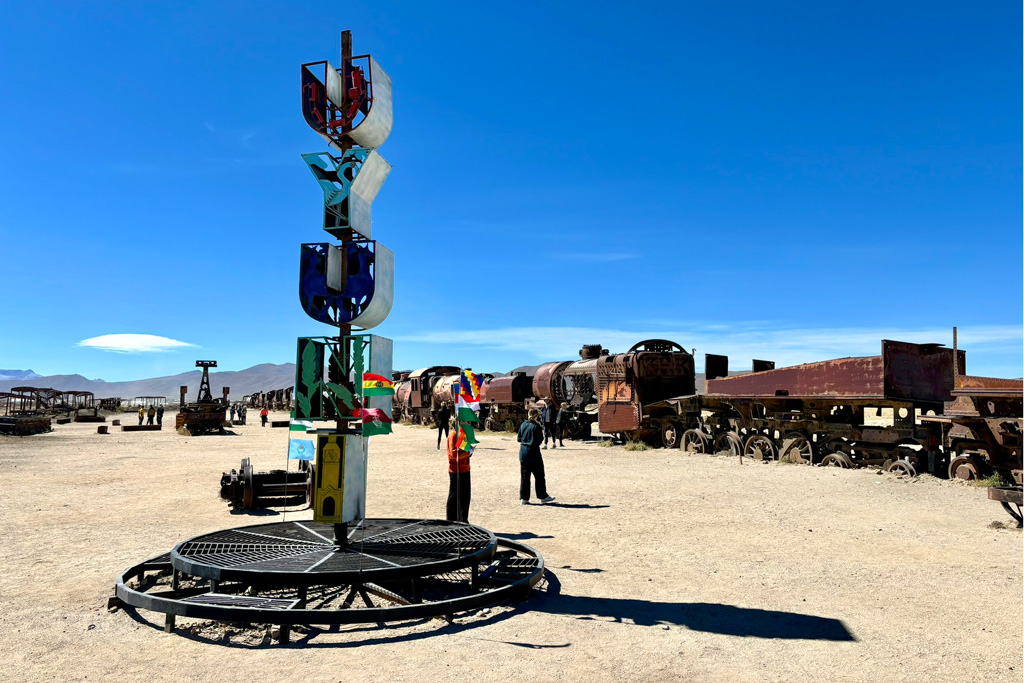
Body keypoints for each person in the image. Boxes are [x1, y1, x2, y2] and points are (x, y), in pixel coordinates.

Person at [517, 408, 555, 505]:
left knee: (525, 477)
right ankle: (542, 495)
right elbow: (539, 440)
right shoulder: (536, 426)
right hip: (533, 452)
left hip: (523, 452)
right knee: (539, 476)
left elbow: (519, 438)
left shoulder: (523, 424)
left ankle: (524, 498)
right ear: (536, 416)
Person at [445, 416, 471, 523]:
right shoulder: (453, 435)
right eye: (465, 421)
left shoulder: (463, 434)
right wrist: (468, 451)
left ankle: (463, 519)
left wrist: (469, 451)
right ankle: (451, 520)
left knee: (465, 498)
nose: (467, 423)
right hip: (456, 471)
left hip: (465, 469)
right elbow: (454, 453)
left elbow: (464, 450)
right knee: (454, 497)